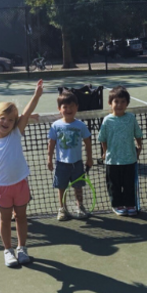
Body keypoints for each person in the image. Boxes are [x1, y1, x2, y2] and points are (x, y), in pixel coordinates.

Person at [0, 79, 44, 267]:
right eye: (3, 118)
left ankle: (22, 248)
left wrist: (37, 94)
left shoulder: (16, 132)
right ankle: (8, 250)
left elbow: (26, 112)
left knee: (22, 217)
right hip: (2, 189)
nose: (7, 122)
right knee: (5, 219)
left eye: (11, 119)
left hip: (20, 185)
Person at [47, 90, 94, 221]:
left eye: (71, 106)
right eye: (65, 107)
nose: (68, 109)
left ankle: (80, 206)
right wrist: (49, 159)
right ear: (59, 109)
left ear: (76, 107)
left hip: (77, 163)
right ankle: (62, 209)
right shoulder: (55, 125)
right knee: (61, 187)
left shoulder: (81, 125)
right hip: (61, 164)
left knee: (78, 187)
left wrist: (89, 158)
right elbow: (51, 144)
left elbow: (88, 143)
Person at [98, 86, 144, 216]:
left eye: (123, 102)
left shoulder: (130, 118)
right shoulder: (107, 120)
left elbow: (138, 134)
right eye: (116, 101)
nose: (119, 105)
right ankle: (117, 205)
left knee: (129, 184)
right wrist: (105, 152)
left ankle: (130, 204)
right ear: (110, 103)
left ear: (127, 104)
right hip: (112, 160)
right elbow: (103, 138)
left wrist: (139, 147)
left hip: (129, 159)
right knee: (114, 186)